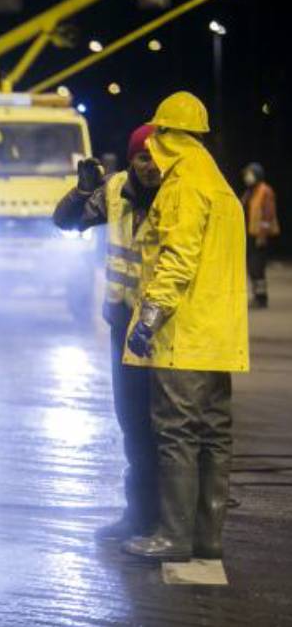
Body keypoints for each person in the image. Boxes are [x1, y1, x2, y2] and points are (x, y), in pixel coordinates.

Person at [122, 92, 249, 561]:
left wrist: (150, 316)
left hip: (184, 334)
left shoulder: (183, 185)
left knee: (176, 432)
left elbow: (177, 258)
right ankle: (206, 537)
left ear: (166, 134)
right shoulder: (218, 183)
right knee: (215, 432)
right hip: (220, 335)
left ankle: (173, 536)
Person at [53, 124, 162, 541]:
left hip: (167, 327)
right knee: (132, 423)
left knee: (167, 429)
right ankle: (140, 515)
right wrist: (82, 191)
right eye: (142, 157)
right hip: (124, 323)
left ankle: (169, 519)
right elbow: (65, 221)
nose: (151, 166)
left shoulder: (178, 193)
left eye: (157, 156)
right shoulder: (114, 190)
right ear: (131, 159)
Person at [241, 162, 280, 308]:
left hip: (259, 235)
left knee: (257, 267)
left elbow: (268, 215)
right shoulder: (250, 192)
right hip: (251, 234)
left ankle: (262, 298)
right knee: (252, 267)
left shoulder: (265, 191)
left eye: (250, 174)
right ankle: (257, 295)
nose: (247, 177)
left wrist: (262, 235)